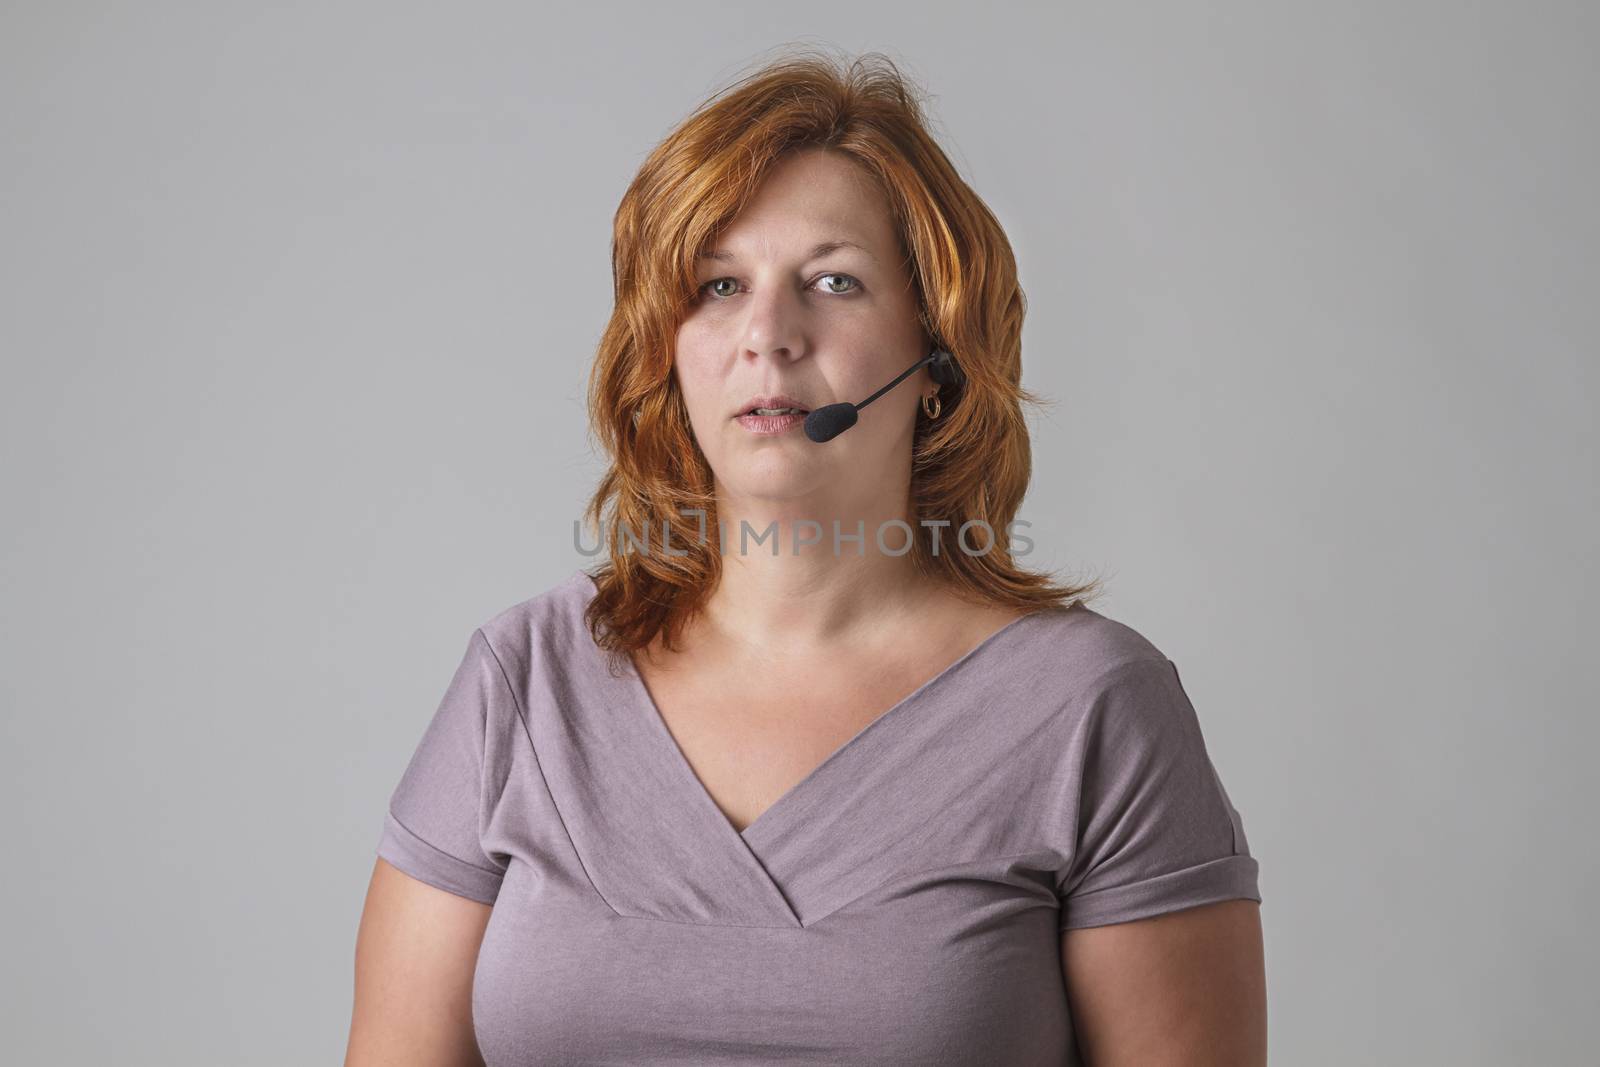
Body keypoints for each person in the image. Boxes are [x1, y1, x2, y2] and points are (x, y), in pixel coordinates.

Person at [345, 49, 1265, 1067]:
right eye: (719, 285)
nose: (768, 336)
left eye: (834, 281)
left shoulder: (1092, 705)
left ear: (937, 359)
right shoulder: (522, 681)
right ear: (667, 346)